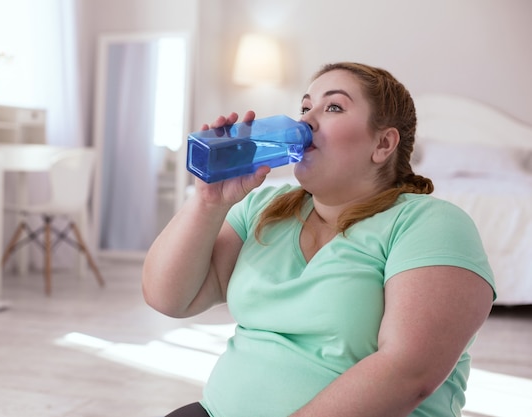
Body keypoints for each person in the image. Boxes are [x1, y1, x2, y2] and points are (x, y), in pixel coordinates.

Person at [142, 62, 496, 417]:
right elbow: (169, 298)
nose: (305, 122)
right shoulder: (263, 206)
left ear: (383, 143)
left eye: (333, 107)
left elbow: (408, 372)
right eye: (304, 106)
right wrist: (207, 202)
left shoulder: (429, 223)